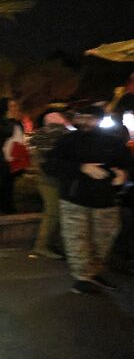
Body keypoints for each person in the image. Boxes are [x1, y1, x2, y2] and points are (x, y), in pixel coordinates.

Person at [47, 105, 132, 294]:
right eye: (81, 116)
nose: (85, 121)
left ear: (100, 120)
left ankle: (92, 273)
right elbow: (51, 165)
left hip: (105, 200)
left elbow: (127, 163)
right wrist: (80, 168)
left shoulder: (114, 142)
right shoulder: (67, 141)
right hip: (74, 199)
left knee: (103, 240)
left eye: (91, 118)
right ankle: (82, 279)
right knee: (77, 240)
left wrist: (123, 174)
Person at [29, 111, 71, 259]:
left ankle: (50, 243)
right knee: (53, 213)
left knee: (54, 212)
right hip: (56, 179)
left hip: (45, 179)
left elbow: (35, 157)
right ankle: (42, 245)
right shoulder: (65, 134)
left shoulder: (38, 135)